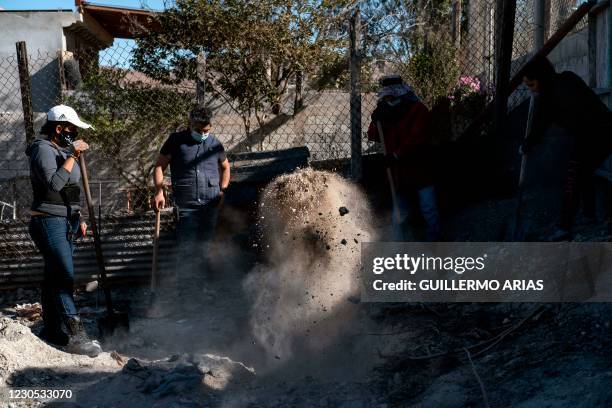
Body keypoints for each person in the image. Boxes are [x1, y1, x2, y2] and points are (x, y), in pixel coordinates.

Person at [25, 104, 102, 357]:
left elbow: (71, 188)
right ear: (59, 128)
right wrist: (72, 155)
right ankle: (77, 336)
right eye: (72, 129)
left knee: (53, 278)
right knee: (64, 277)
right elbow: (54, 184)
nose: (76, 133)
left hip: (67, 221)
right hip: (47, 221)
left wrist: (78, 214)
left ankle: (52, 331)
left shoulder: (63, 150)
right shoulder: (42, 149)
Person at [521, 56, 612, 241]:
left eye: (531, 84)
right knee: (584, 171)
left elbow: (541, 125)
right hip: (601, 130)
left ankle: (564, 227)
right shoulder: (566, 79)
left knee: (574, 175)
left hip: (596, 134)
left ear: (541, 78)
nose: (531, 90)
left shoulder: (551, 97)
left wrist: (527, 144)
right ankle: (588, 215)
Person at [153, 107, 230, 311]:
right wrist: (159, 192)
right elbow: (159, 166)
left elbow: (225, 167)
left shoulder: (215, 144)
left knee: (204, 249)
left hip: (210, 205)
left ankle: (204, 292)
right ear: (191, 124)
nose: (203, 133)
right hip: (186, 206)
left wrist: (223, 189)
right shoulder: (176, 140)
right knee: (187, 250)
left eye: (207, 130)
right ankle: (187, 295)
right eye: (199, 129)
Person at [367, 75, 441, 241]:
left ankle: (435, 245)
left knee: (428, 208)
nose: (388, 100)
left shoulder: (418, 109)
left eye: (391, 97)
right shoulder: (385, 111)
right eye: (385, 97)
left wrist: (396, 155)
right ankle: (400, 249)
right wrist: (375, 121)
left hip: (420, 168)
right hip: (398, 174)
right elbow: (374, 136)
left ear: (400, 94)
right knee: (399, 213)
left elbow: (417, 139)